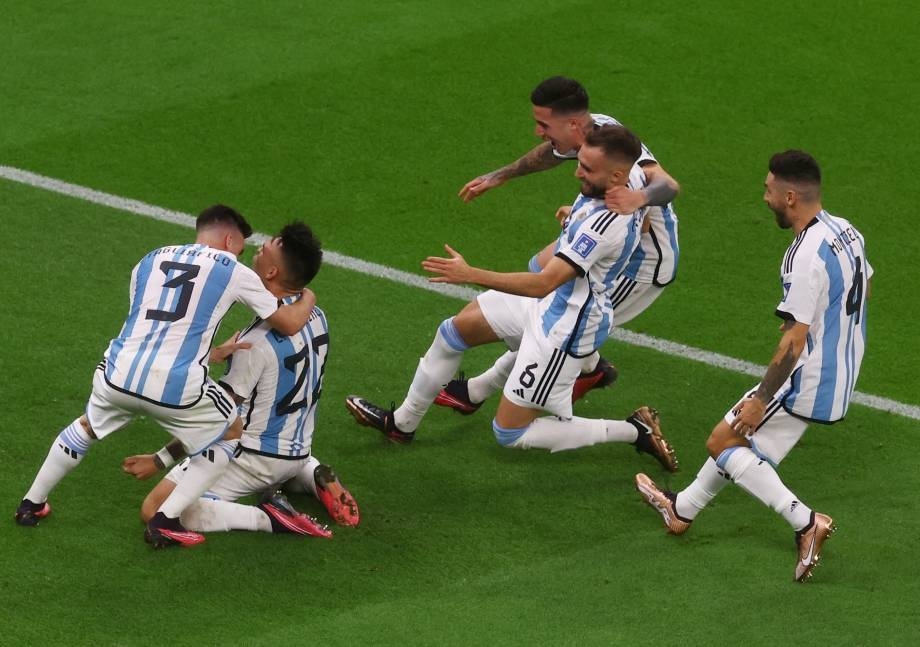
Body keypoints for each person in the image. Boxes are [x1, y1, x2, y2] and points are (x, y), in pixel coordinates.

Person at [350, 125, 677, 470]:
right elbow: (643, 223)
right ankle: (402, 424)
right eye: (580, 162)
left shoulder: (602, 226)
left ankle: (634, 430)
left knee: (509, 432)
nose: (577, 172)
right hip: (552, 301)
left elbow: (543, 283)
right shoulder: (629, 182)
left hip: (564, 326)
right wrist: (578, 214)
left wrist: (469, 274)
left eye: (587, 168)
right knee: (454, 331)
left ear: (616, 176)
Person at [14, 204, 318, 549]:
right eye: (241, 247)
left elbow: (154, 328)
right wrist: (309, 294)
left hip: (117, 375)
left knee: (86, 426)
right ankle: (166, 521)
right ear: (229, 240)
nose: (242, 255)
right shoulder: (232, 269)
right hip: (175, 387)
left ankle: (31, 503)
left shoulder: (149, 260)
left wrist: (213, 352)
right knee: (230, 431)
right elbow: (290, 323)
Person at [634, 150, 871, 582]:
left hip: (808, 376)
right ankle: (681, 510)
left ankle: (806, 522)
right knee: (741, 447)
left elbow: (793, 342)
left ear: (790, 196)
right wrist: (818, 318)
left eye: (769, 189)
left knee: (722, 442)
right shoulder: (846, 230)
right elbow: (864, 286)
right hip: (843, 368)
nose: (764, 197)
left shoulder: (804, 255)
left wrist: (762, 398)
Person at [438, 76, 681, 415]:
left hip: (637, 265)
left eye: (544, 124)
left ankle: (480, 389)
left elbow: (668, 185)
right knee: (538, 269)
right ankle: (589, 366)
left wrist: (638, 199)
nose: (538, 131)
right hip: (608, 239)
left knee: (552, 321)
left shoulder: (623, 158)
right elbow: (553, 153)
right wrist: (501, 175)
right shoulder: (598, 131)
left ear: (572, 124)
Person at [121, 222, 359, 541]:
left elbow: (214, 418)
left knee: (156, 509)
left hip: (254, 457)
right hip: (298, 446)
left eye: (264, 250)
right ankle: (308, 473)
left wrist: (159, 459)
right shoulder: (316, 315)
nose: (256, 250)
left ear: (272, 272)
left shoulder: (254, 345)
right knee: (275, 439)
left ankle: (269, 517)